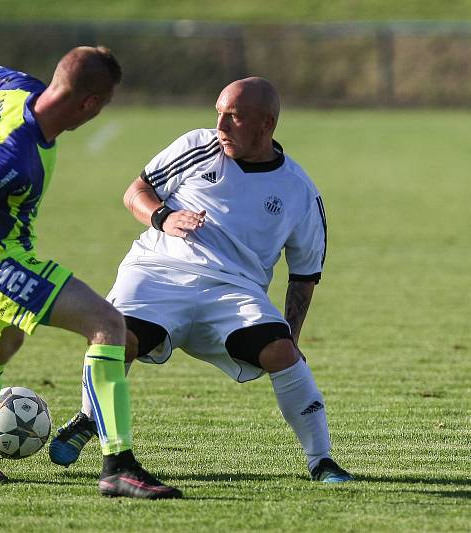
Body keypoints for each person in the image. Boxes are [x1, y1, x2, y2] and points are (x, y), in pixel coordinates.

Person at [0, 43, 182, 499]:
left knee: (1, 341)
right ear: (89, 104)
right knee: (108, 326)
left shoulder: (14, 87)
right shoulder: (14, 158)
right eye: (102, 106)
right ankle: (118, 466)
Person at [49, 77, 353, 483]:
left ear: (267, 124)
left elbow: (304, 275)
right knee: (114, 337)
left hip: (233, 292)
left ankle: (322, 460)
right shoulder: (197, 146)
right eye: (219, 113)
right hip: (157, 272)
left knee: (281, 353)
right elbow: (136, 191)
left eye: (235, 117)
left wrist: (292, 337)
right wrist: (164, 217)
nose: (221, 126)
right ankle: (91, 417)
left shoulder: (299, 192)